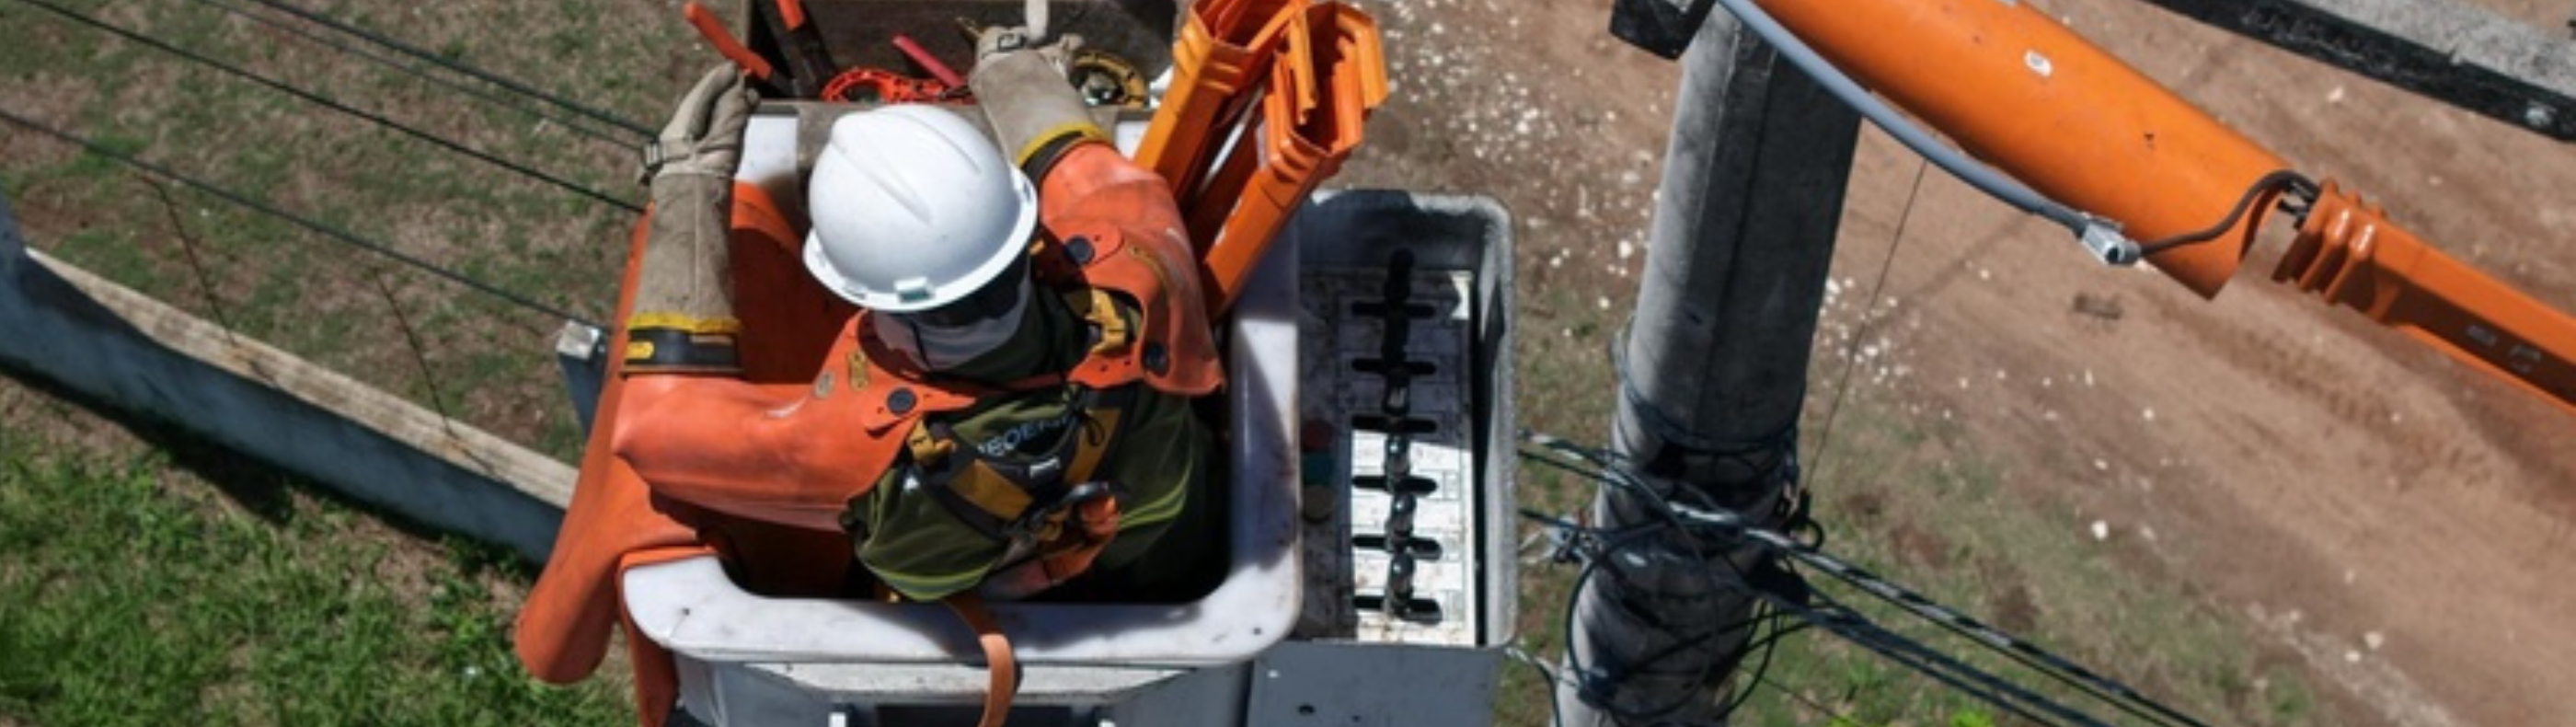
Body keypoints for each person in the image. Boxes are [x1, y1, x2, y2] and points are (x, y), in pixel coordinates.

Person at [610, 30, 1225, 604]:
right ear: (1025, 228)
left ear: (865, 294)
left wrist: (689, 189)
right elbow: (1100, 177)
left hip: (989, 619)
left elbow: (656, 431)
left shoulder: (853, 443)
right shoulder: (1141, 287)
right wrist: (1011, 68)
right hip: (1176, 565)